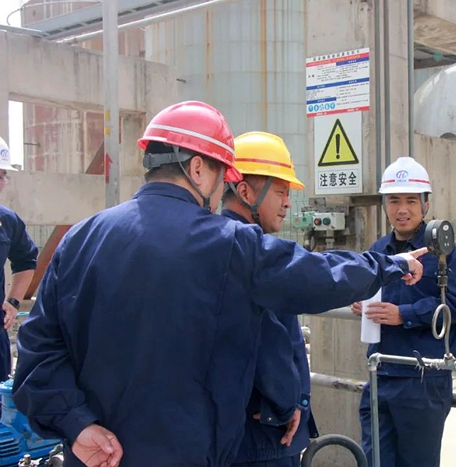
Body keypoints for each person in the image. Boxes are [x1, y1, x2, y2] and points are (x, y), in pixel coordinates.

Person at [12, 101, 427, 467]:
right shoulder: (227, 243)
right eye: (219, 174)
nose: (219, 191)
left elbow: (39, 351)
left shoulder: (80, 239)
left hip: (97, 455)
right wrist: (390, 264)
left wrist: (77, 424)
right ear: (197, 168)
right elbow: (319, 276)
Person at [352, 157, 456, 467]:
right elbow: (371, 294)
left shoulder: (443, 251)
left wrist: (404, 314)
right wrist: (361, 303)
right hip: (380, 373)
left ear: (425, 205)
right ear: (385, 205)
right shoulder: (378, 250)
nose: (402, 209)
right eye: (394, 200)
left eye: (410, 200)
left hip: (423, 378)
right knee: (375, 460)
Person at [222, 131, 315, 467]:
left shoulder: (215, 242)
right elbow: (267, 338)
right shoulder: (250, 252)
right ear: (244, 191)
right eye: (279, 191)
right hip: (264, 433)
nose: (287, 202)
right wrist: (288, 403)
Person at [0, 137, 38, 382]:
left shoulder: (7, 221)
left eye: (2, 175)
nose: (0, 182)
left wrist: (13, 301)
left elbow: (26, 260)